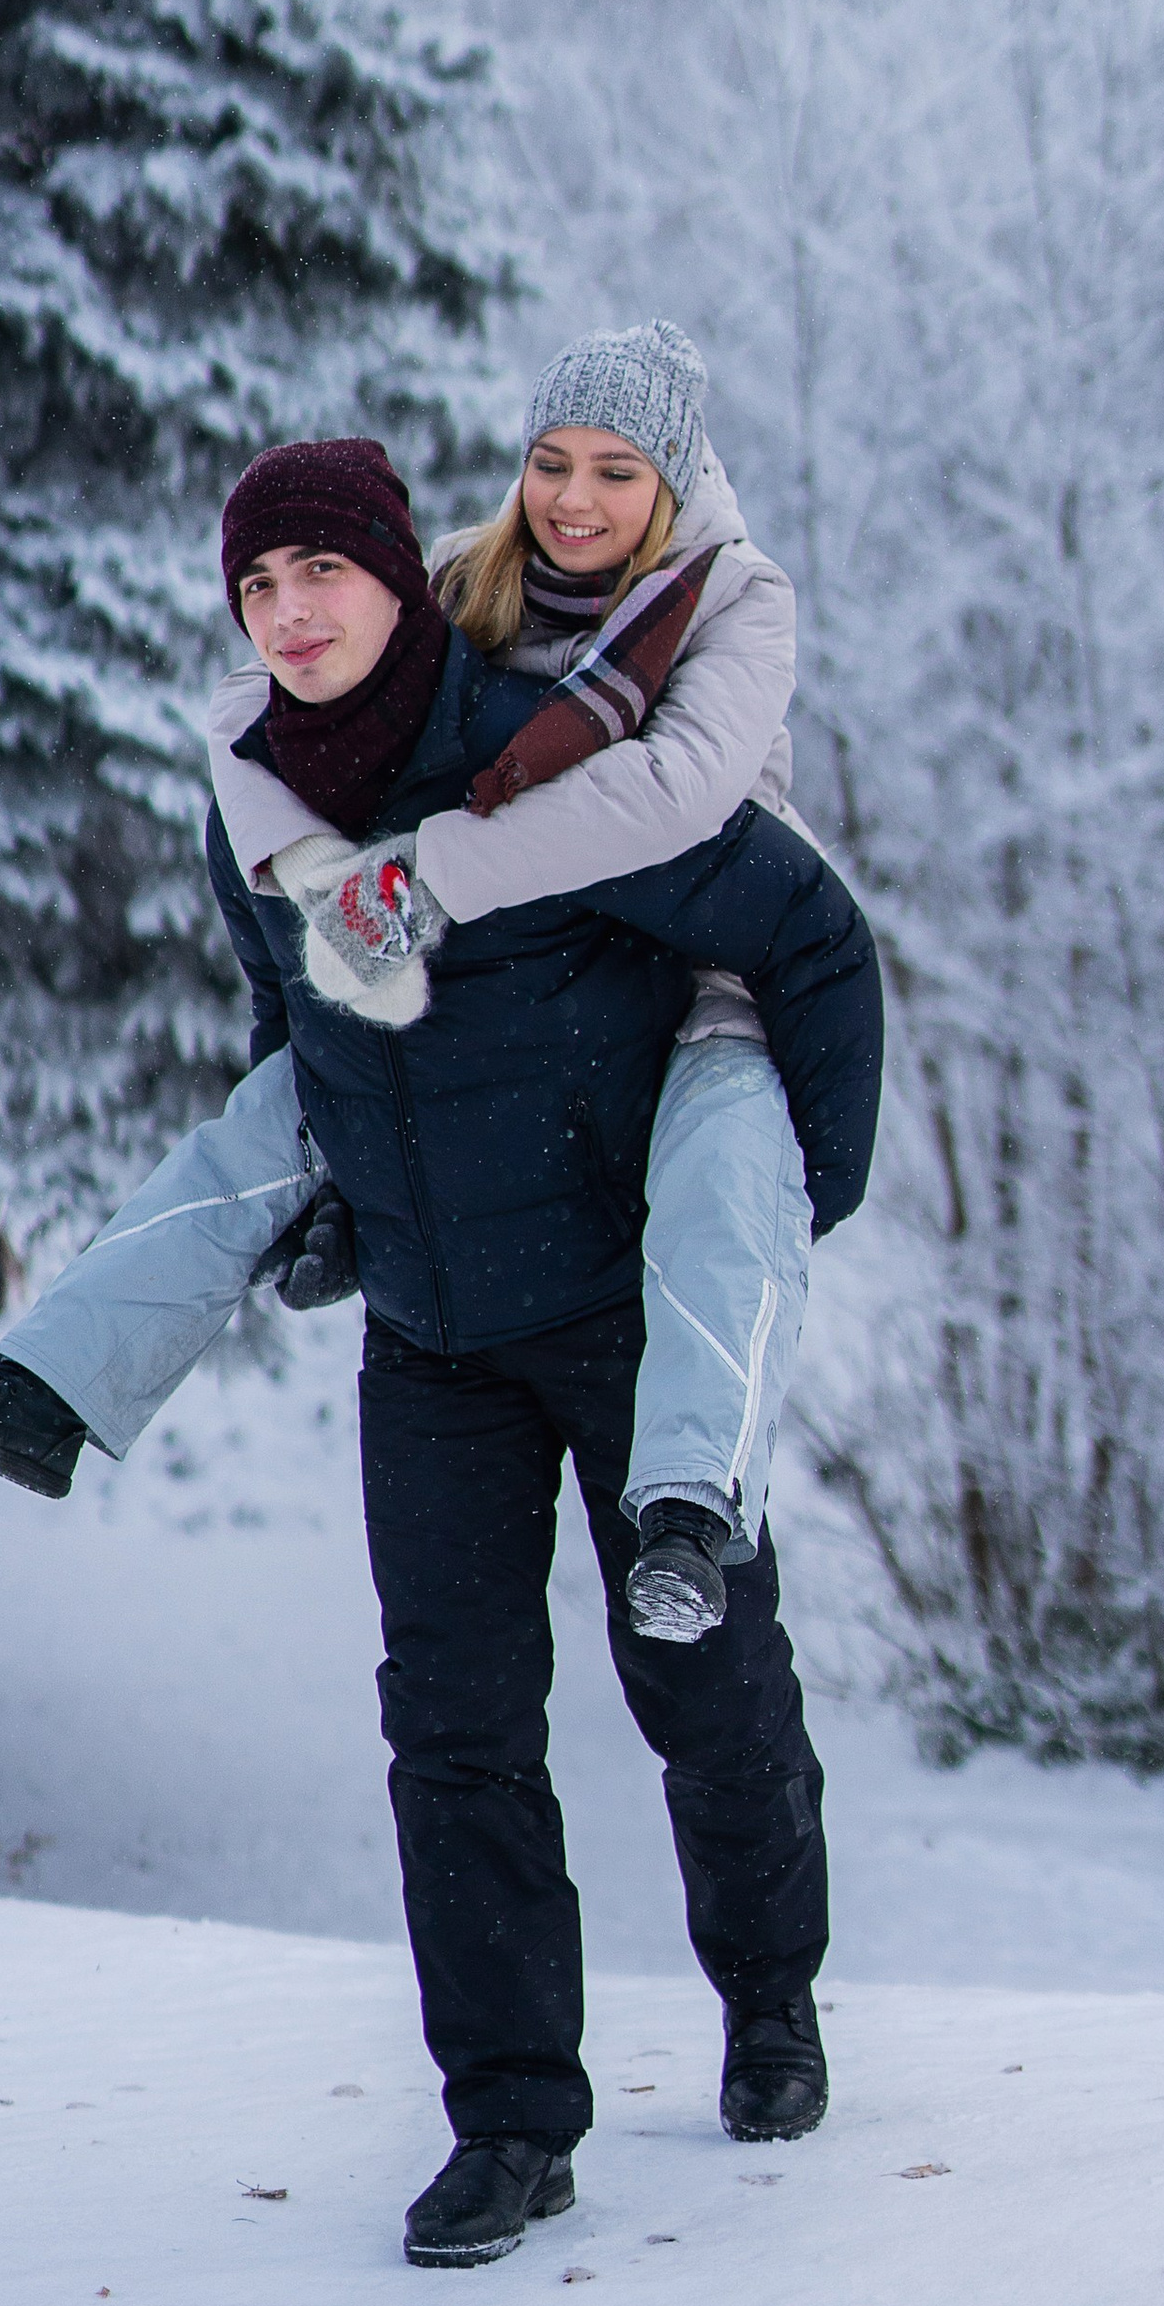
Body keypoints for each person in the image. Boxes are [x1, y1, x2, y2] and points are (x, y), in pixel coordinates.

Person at [0, 434, 882, 2269]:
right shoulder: (252, 797)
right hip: (434, 1336)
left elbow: (807, 936)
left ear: (402, 575)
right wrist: (332, 1201)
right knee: (455, 1733)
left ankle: (769, 2000)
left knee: (705, 1680)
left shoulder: (535, 752)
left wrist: (801, 1189)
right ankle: (511, 2122)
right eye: (256, 588)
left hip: (614, 1302)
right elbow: (293, 1020)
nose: (289, 612)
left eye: (320, 572)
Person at [206, 319, 814, 1642]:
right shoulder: (481, 575)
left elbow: (669, 793)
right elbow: (300, 678)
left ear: (674, 480)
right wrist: (243, 766)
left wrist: (433, 868)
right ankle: (321, 1208)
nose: (575, 500)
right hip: (552, 1011)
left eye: (615, 470)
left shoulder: (734, 597)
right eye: (551, 462)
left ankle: (692, 1508)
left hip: (711, 973)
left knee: (720, 1196)